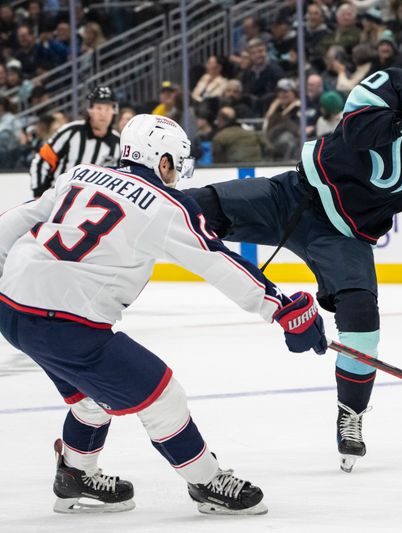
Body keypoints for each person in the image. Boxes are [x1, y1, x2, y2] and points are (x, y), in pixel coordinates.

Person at [184, 51, 402, 473]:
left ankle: (351, 414)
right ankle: (127, 212)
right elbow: (355, 129)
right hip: (293, 196)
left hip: (344, 236)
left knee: (364, 323)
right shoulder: (399, 85)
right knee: (190, 209)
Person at [0, 114, 326, 515]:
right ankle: (207, 482)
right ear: (163, 160)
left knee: (91, 397)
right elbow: (216, 261)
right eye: (178, 162)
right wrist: (281, 308)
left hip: (12, 308)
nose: (178, 173)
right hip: (66, 324)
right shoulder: (164, 205)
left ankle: (75, 475)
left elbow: (19, 219)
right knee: (163, 395)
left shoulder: (81, 173)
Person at [30, 85, 120, 198]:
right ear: (90, 109)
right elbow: (42, 160)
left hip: (94, 209)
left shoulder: (118, 143)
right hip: (59, 200)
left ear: (114, 111)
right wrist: (39, 193)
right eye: (98, 108)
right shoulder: (70, 132)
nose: (103, 114)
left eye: (108, 109)